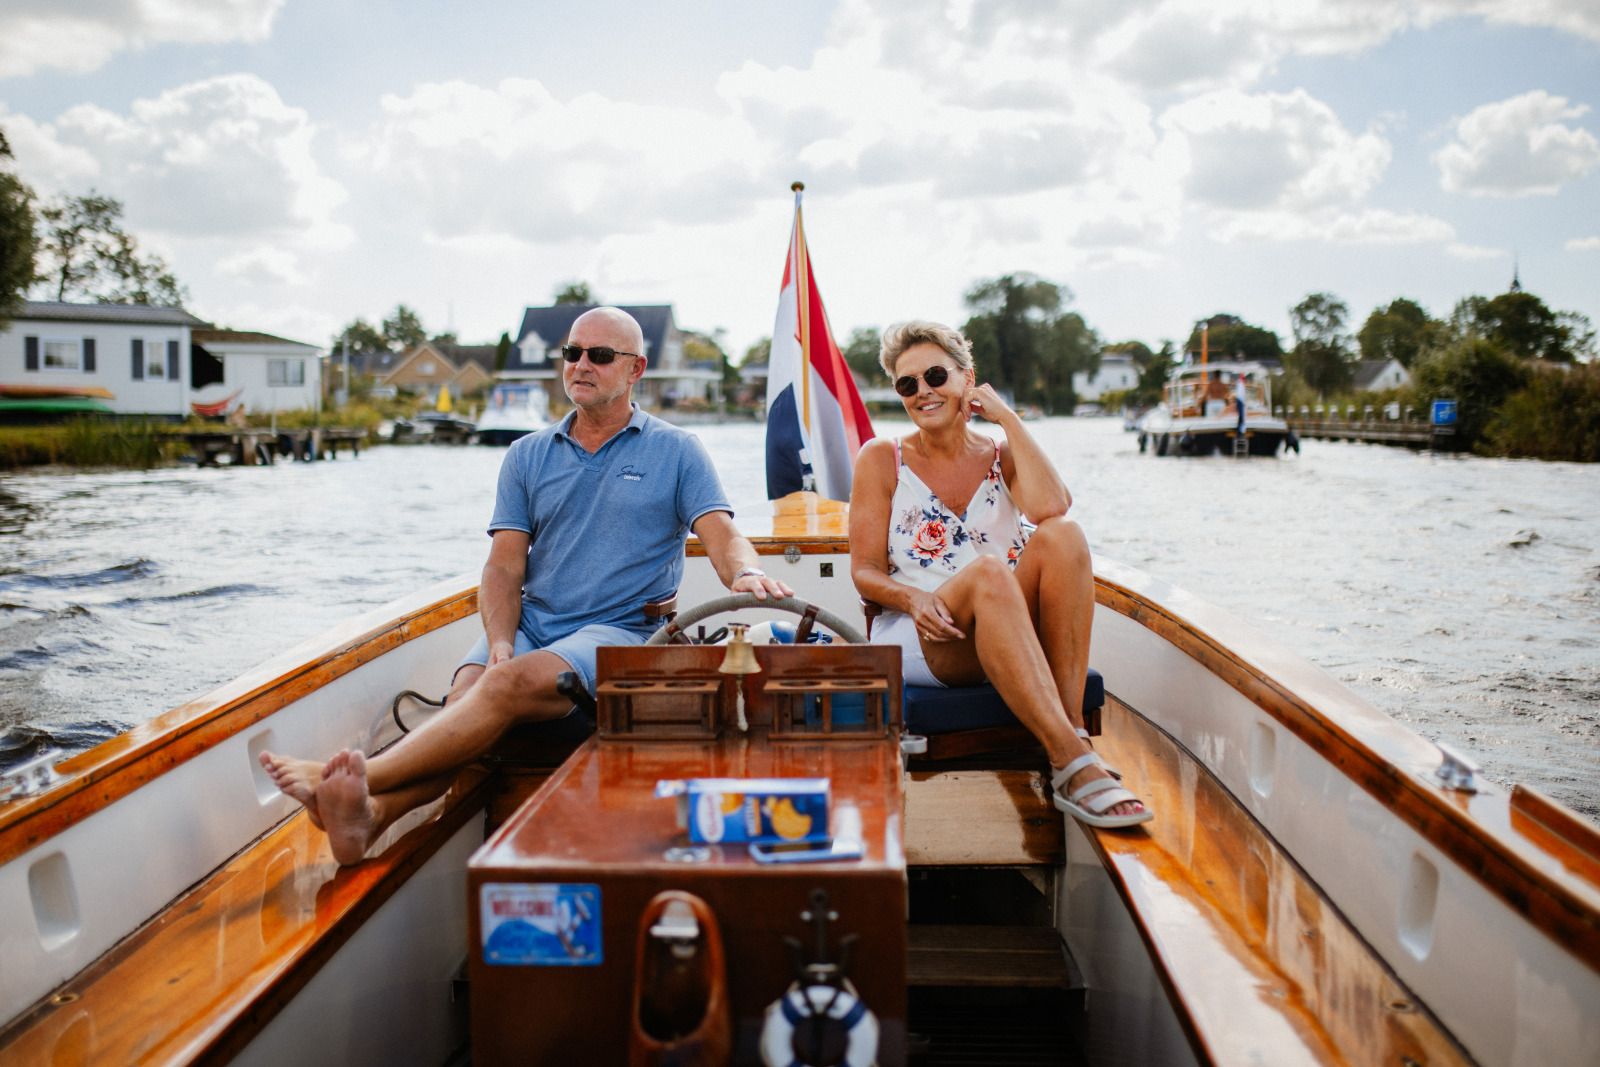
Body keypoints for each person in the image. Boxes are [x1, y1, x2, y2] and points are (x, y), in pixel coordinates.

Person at [261, 307, 792, 863]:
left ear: (636, 370)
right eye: (572, 353)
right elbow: (503, 568)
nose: (581, 365)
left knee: (497, 691)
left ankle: (344, 777)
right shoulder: (527, 454)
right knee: (465, 704)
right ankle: (370, 819)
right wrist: (499, 640)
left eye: (600, 356)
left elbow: (724, 536)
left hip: (622, 632)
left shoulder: (677, 450)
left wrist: (747, 572)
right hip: (537, 624)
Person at [848, 321, 1151, 829]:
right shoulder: (883, 459)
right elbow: (865, 572)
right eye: (908, 384)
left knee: (1064, 536)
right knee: (990, 573)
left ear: (969, 380)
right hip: (927, 633)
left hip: (1002, 619)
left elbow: (1053, 505)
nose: (923, 391)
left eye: (937, 375)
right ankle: (1071, 760)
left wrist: (1007, 418)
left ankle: (1071, 731)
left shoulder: (1001, 457)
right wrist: (913, 601)